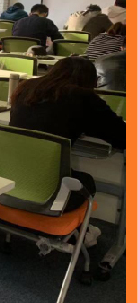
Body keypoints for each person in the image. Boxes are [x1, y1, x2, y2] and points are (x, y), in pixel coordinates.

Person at [10, 57, 125, 211]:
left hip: (11, 178)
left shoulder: (26, 88)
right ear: (90, 81)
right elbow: (122, 136)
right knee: (87, 181)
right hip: (49, 189)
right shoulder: (83, 98)